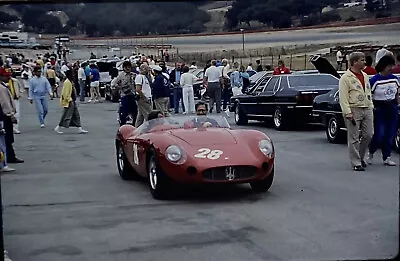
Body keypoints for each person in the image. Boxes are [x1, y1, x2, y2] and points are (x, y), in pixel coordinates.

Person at [338, 52, 374, 171]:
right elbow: (343, 96)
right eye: (362, 60)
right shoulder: (345, 78)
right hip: (354, 108)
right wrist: (347, 112)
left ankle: (361, 156)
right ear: (354, 62)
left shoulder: (365, 75)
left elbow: (368, 91)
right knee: (353, 137)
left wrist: (371, 105)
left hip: (366, 107)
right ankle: (356, 162)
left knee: (368, 134)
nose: (364, 62)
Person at [367, 55, 399, 166]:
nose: (391, 68)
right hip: (379, 108)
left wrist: (398, 105)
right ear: (383, 66)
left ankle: (387, 157)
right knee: (379, 134)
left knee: (390, 133)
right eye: (389, 66)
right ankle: (371, 153)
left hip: (392, 107)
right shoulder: (374, 80)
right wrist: (372, 107)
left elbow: (397, 94)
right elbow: (369, 95)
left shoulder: (395, 79)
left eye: (392, 66)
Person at [0, 68, 23, 164]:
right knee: (7, 138)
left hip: (5, 115)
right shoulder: (1, 88)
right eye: (6, 75)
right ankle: (9, 157)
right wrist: (11, 115)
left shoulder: (4, 86)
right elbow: (5, 103)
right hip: (5, 116)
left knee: (7, 138)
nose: (8, 77)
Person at [54, 70, 88, 134]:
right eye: (72, 74)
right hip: (69, 101)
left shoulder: (70, 82)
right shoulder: (67, 82)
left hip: (72, 101)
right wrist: (69, 100)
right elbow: (65, 93)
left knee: (76, 115)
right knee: (66, 115)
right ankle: (58, 127)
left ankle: (79, 128)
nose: (73, 75)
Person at [115, 61, 138, 125]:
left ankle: (134, 125)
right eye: (126, 67)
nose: (128, 69)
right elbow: (114, 84)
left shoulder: (134, 75)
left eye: (129, 67)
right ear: (124, 68)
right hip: (124, 95)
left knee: (135, 112)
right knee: (124, 112)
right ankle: (122, 125)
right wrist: (120, 87)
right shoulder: (121, 75)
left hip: (133, 95)